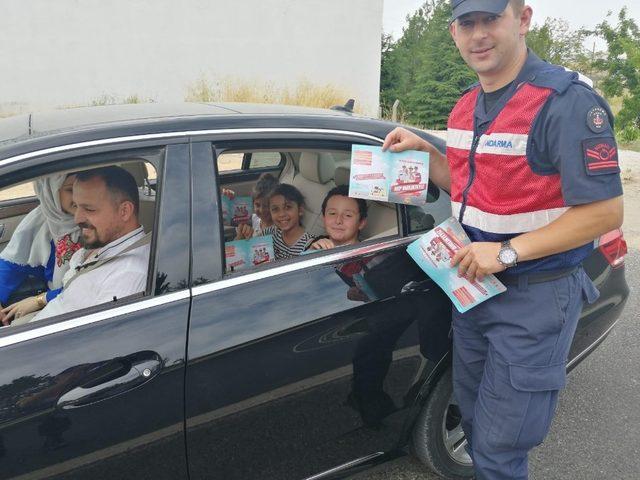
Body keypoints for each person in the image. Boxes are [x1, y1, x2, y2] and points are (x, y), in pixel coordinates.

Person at [382, 1, 624, 479]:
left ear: (524, 18)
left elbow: (604, 211)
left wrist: (509, 252)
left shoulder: (565, 101)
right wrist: (427, 151)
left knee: (501, 447)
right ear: (453, 31)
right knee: (474, 424)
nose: (478, 35)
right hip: (474, 292)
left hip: (535, 295)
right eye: (465, 23)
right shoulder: (467, 104)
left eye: (490, 19)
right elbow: (472, 192)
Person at [31, 166, 150, 322]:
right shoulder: (103, 245)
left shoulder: (127, 275)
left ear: (124, 211)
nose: (77, 218)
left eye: (89, 209)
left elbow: (94, 341)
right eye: (77, 206)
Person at [0, 173, 81, 325]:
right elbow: (10, 266)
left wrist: (40, 300)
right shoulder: (40, 221)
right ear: (50, 191)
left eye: (84, 188)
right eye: (71, 190)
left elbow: (89, 283)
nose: (80, 196)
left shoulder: (97, 224)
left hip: (82, 303)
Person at [237, 183, 315, 259]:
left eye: (288, 207)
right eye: (275, 209)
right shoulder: (270, 232)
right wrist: (242, 240)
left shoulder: (309, 244)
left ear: (300, 210)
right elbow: (250, 252)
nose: (281, 214)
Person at [308, 185, 368, 251]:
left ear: (361, 223)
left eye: (348, 215)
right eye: (332, 213)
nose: (338, 221)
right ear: (323, 218)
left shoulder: (366, 257)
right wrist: (309, 254)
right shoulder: (316, 244)